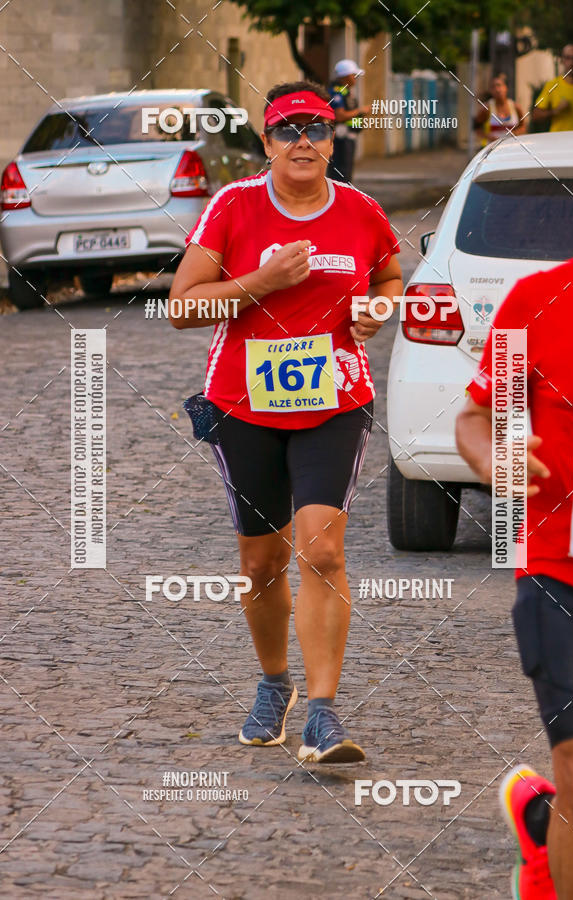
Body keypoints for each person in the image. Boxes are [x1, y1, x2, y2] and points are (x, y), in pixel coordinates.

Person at [168, 80, 402, 763]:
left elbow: (389, 278)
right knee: (262, 560)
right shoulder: (235, 207)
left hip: (334, 401)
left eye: (318, 129)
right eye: (289, 129)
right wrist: (258, 285)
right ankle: (276, 684)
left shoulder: (359, 210)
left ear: (333, 142)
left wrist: (378, 312)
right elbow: (183, 306)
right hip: (244, 405)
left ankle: (324, 714)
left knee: (322, 550)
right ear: (266, 144)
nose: (305, 140)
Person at [455, 146, 573, 898]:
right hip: (561, 571)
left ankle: (546, 830)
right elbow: (482, 419)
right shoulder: (536, 302)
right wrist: (498, 460)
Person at [326, 59, 370, 183]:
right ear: (345, 76)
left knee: (346, 173)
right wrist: (360, 111)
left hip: (348, 138)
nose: (356, 78)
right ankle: (339, 199)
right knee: (340, 173)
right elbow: (339, 116)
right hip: (341, 139)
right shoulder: (337, 92)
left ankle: (345, 197)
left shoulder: (346, 91)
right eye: (354, 75)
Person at [475, 73, 526, 145]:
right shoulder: (486, 108)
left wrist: (515, 133)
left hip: (512, 147)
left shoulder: (515, 107)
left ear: (505, 87)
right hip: (492, 150)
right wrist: (489, 137)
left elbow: (523, 126)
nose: (497, 89)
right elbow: (476, 128)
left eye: (499, 85)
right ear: (490, 91)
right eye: (493, 87)